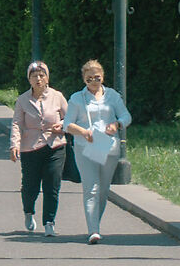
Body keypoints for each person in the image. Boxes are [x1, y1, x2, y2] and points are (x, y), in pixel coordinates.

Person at [64, 57, 133, 243]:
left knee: (103, 189)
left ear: (103, 77)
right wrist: (83, 132)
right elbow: (66, 124)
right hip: (85, 147)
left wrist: (117, 125)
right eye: (89, 79)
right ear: (83, 79)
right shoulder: (77, 99)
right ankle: (93, 230)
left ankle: (95, 223)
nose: (94, 82)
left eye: (97, 78)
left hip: (108, 147)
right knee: (91, 188)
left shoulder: (112, 96)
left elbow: (126, 116)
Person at [8, 58, 68, 238]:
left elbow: (71, 117)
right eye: (34, 76)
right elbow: (17, 124)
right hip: (30, 148)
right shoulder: (22, 100)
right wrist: (14, 145)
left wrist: (63, 125)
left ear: (47, 78)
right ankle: (28, 211)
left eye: (42, 75)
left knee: (52, 184)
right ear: (29, 80)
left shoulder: (57, 97)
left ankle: (49, 222)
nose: (38, 79)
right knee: (30, 186)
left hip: (55, 146)